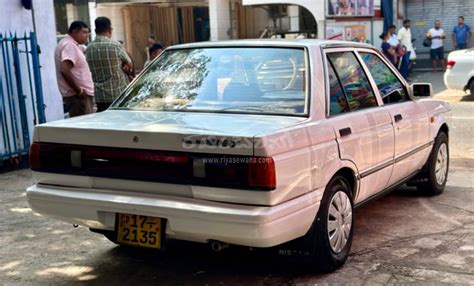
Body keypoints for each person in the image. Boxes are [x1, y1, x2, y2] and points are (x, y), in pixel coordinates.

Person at [86, 17, 132, 112]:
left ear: (95, 30)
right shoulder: (115, 45)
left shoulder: (88, 48)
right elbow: (129, 64)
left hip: (99, 96)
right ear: (110, 30)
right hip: (117, 95)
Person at [54, 21, 94, 117]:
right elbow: (64, 70)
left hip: (80, 95)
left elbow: (83, 49)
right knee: (84, 128)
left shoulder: (73, 44)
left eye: (87, 33)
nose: (87, 36)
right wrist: (79, 91)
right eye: (84, 32)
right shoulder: (69, 45)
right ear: (75, 32)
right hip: (78, 97)